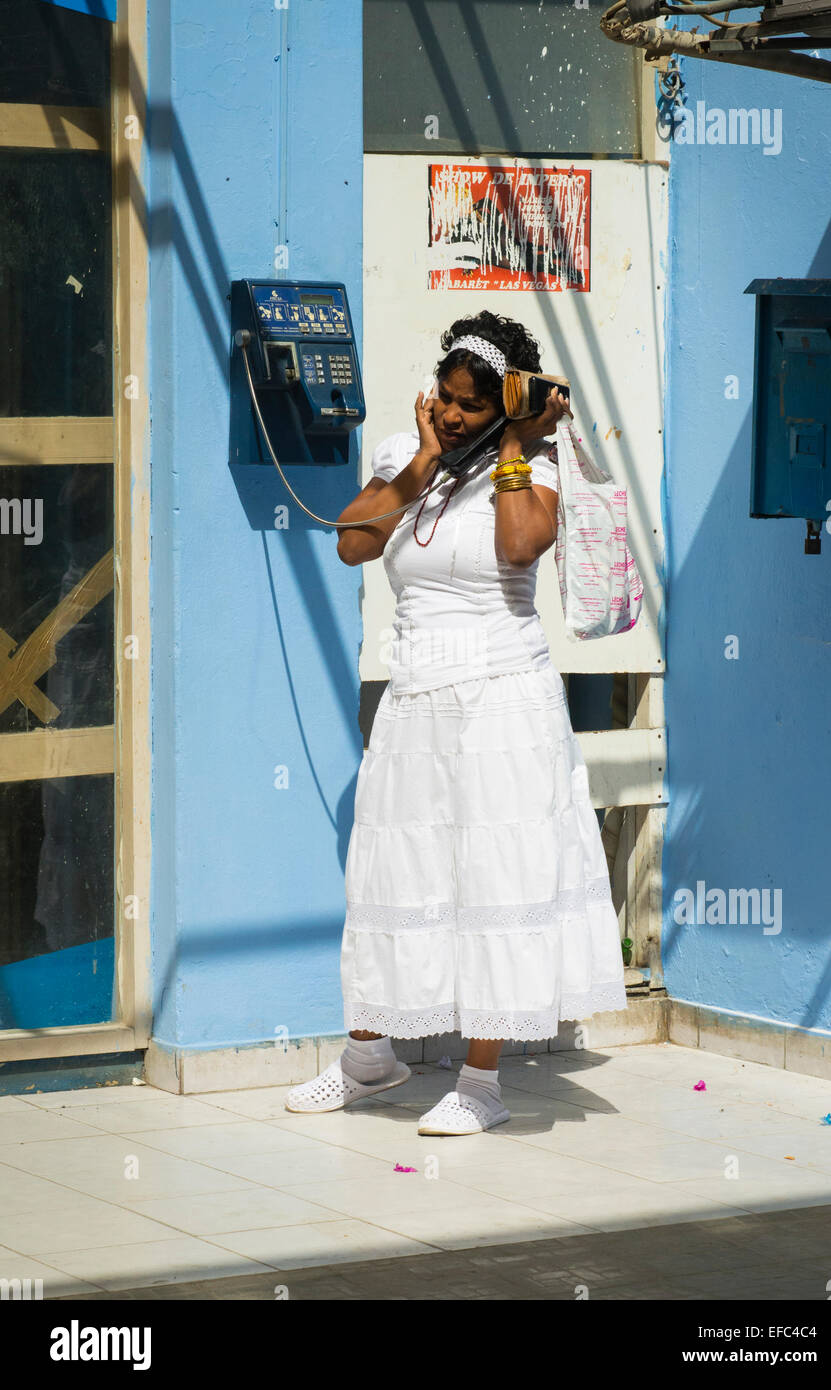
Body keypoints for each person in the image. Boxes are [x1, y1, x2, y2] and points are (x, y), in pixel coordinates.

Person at [284, 311, 627, 1135]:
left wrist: (510, 445)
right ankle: (371, 1057)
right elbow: (352, 545)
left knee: (493, 879)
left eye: (469, 405)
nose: (447, 412)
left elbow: (518, 548)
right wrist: (427, 462)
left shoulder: (536, 464)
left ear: (505, 405)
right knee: (395, 875)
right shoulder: (406, 459)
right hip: (414, 700)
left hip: (503, 701)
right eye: (442, 396)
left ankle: (481, 1081)